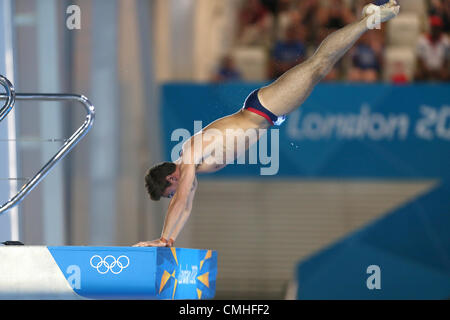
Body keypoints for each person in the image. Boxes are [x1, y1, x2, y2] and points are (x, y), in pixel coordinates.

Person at [133, 1, 400, 248]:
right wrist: (168, 239)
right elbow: (185, 205)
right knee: (320, 69)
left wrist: (163, 237)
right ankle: (365, 21)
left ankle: (369, 19)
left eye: (168, 192)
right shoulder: (190, 172)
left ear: (171, 178)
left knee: (318, 65)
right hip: (268, 115)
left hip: (262, 108)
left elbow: (179, 202)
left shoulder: (189, 156)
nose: (174, 195)